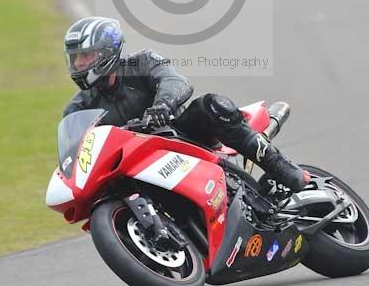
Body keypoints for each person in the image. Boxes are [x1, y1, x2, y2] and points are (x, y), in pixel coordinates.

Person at [62, 16, 310, 191]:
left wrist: (161, 106)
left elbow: (175, 81)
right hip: (136, 162)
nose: (80, 64)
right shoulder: (77, 109)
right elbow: (75, 154)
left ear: (107, 51)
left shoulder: (143, 62)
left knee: (211, 105)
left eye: (86, 55)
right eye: (75, 59)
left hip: (183, 137)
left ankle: (285, 171)